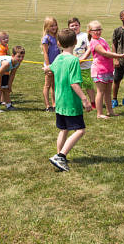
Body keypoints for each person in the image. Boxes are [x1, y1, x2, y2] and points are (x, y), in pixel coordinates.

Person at [45, 28, 92, 172]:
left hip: (59, 102)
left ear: (58, 43)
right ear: (76, 42)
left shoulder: (58, 58)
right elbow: (74, 83)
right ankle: (60, 156)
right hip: (71, 103)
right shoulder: (73, 61)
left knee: (64, 129)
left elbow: (49, 69)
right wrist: (85, 99)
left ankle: (60, 155)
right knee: (80, 130)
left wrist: (45, 68)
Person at [87, 20, 124, 118]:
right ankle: (99, 113)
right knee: (100, 92)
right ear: (90, 32)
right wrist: (118, 56)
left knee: (108, 92)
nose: (98, 32)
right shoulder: (94, 42)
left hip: (108, 69)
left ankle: (110, 111)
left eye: (99, 29)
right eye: (95, 30)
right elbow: (104, 53)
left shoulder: (102, 39)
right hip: (99, 70)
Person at [0, 46, 25, 113]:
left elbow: (12, 74)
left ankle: (9, 105)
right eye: (19, 56)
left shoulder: (17, 63)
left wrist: (9, 86)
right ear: (13, 55)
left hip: (0, 71)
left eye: (22, 56)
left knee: (6, 88)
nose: (21, 58)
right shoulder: (6, 63)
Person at [68, 17, 96, 108]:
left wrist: (83, 59)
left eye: (76, 25)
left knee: (88, 85)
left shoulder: (85, 35)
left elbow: (90, 48)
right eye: (72, 26)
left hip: (85, 66)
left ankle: (93, 103)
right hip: (73, 66)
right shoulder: (68, 37)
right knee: (75, 85)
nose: (74, 27)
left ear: (80, 26)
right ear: (68, 27)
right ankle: (79, 103)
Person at [112, 9, 124, 108]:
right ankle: (114, 99)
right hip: (120, 60)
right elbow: (114, 44)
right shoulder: (117, 30)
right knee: (116, 80)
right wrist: (115, 58)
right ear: (121, 18)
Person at [41, 16, 60, 112]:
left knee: (55, 85)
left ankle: (54, 104)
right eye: (51, 26)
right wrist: (48, 66)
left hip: (57, 65)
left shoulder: (56, 37)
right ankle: (48, 105)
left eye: (55, 25)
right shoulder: (46, 38)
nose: (54, 27)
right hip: (49, 65)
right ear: (47, 27)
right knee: (47, 85)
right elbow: (45, 53)